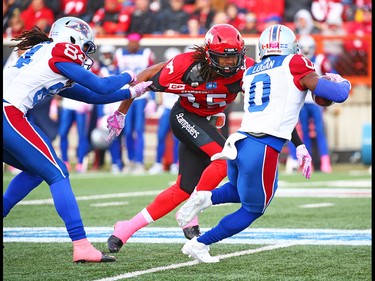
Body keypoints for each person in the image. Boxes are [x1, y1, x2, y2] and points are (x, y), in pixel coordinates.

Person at [105, 23, 308, 254]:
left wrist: (298, 144)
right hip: (185, 116)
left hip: (210, 124)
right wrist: (121, 112)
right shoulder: (185, 66)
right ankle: (193, 214)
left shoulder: (249, 70)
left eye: (234, 58)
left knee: (182, 189)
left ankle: (125, 229)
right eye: (224, 59)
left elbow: (272, 113)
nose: (231, 64)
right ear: (209, 56)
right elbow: (146, 77)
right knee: (224, 159)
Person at [176, 24, 351, 263]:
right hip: (263, 145)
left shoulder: (253, 71)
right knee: (254, 209)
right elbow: (336, 94)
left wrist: (299, 145)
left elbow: (280, 110)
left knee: (240, 191)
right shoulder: (295, 63)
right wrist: (342, 82)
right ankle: (200, 244)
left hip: (240, 142)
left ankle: (204, 198)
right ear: (291, 46)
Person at [3, 16, 152, 263]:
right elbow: (101, 86)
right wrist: (128, 75)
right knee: (57, 173)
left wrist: (131, 92)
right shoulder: (61, 49)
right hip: (9, 113)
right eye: (84, 46)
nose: (84, 53)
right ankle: (81, 245)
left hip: (7, 113)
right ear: (72, 37)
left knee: (36, 171)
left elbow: (91, 95)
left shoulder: (46, 54)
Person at [286, 34, 334, 173]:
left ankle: (325, 161)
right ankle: (307, 163)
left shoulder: (320, 60)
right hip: (302, 102)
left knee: (319, 131)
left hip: (315, 102)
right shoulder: (296, 61)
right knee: (304, 133)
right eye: (304, 49)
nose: (307, 52)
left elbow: (328, 78)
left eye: (309, 49)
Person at [114, 32, 157, 174]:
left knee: (139, 130)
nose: (132, 45)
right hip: (126, 94)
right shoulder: (119, 53)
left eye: (135, 42)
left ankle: (139, 161)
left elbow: (153, 75)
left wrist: (152, 98)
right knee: (127, 130)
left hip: (141, 97)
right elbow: (115, 74)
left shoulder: (146, 53)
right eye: (130, 42)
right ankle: (131, 160)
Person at [148, 47, 181, 175]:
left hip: (177, 109)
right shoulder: (162, 74)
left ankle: (175, 163)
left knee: (176, 138)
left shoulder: (182, 76)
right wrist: (157, 103)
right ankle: (157, 163)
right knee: (160, 136)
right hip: (165, 109)